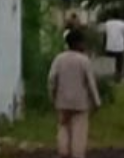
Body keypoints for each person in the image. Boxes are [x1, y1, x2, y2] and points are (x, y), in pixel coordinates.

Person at [48, 29, 102, 158]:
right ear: (79, 43)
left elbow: (51, 79)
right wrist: (96, 101)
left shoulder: (59, 59)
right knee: (79, 132)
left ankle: (63, 152)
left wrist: (52, 96)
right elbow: (90, 83)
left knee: (63, 128)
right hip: (80, 103)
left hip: (62, 101)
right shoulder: (84, 60)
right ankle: (77, 154)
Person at [101, 12, 124, 81]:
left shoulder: (107, 23)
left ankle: (109, 77)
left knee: (110, 63)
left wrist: (103, 45)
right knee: (119, 63)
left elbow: (105, 34)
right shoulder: (122, 24)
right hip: (119, 47)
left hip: (109, 46)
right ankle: (118, 77)